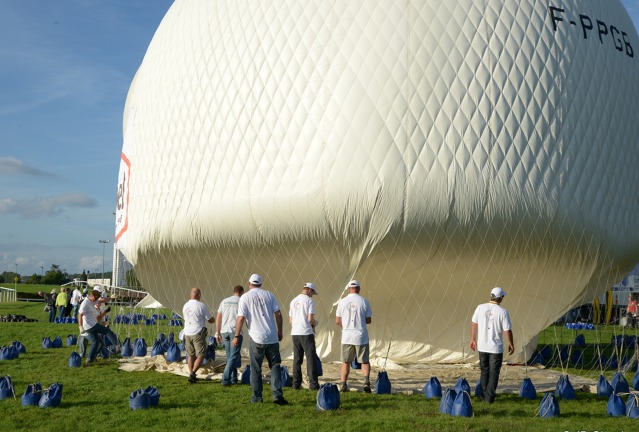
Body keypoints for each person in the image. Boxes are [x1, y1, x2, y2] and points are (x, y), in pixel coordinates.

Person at [234, 274, 288, 405]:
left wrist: (236, 335)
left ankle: (257, 397)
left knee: (256, 368)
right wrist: (280, 331)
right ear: (261, 283)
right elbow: (278, 314)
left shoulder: (245, 297)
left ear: (249, 283)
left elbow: (241, 318)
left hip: (256, 337)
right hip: (271, 337)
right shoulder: (269, 295)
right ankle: (277, 395)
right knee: (275, 366)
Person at [469, 287, 515, 404]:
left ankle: (484, 395)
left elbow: (474, 324)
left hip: (482, 346)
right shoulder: (503, 312)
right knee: (494, 372)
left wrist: (473, 339)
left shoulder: (480, 307)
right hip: (495, 347)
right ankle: (489, 398)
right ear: (500, 298)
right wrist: (511, 344)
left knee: (484, 370)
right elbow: (507, 331)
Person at [335, 279, 373, 393]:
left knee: (346, 362)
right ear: (359, 289)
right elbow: (369, 320)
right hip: (361, 335)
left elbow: (337, 321)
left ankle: (343, 384)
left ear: (349, 289)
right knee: (364, 361)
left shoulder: (342, 302)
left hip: (347, 336)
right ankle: (366, 382)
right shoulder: (364, 301)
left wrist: (346, 325)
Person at [289, 282, 319, 390]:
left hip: (295, 332)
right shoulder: (310, 301)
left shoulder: (293, 301)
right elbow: (310, 319)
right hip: (306, 332)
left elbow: (290, 320)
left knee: (297, 359)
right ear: (310, 290)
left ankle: (296, 384)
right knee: (310, 358)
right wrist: (315, 323)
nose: (312, 295)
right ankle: (313, 384)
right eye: (313, 292)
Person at [78, 287, 120, 365]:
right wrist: (80, 327)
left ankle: (90, 360)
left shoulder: (92, 301)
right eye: (95, 298)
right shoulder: (85, 303)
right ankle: (117, 346)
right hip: (90, 325)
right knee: (106, 331)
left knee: (97, 343)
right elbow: (80, 315)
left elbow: (102, 300)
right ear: (92, 295)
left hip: (90, 325)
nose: (96, 300)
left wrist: (111, 297)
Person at [182, 287, 215, 383]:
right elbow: (209, 320)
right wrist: (215, 319)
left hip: (187, 332)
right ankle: (193, 373)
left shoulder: (185, 305)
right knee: (201, 354)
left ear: (190, 294)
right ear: (199, 295)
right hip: (197, 333)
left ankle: (191, 373)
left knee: (190, 354)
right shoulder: (201, 306)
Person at [216, 285, 245, 386]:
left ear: (234, 291)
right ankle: (225, 379)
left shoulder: (224, 301)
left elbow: (218, 317)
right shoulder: (241, 301)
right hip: (235, 331)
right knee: (233, 356)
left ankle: (233, 379)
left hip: (224, 331)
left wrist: (218, 332)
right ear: (241, 292)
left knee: (229, 356)